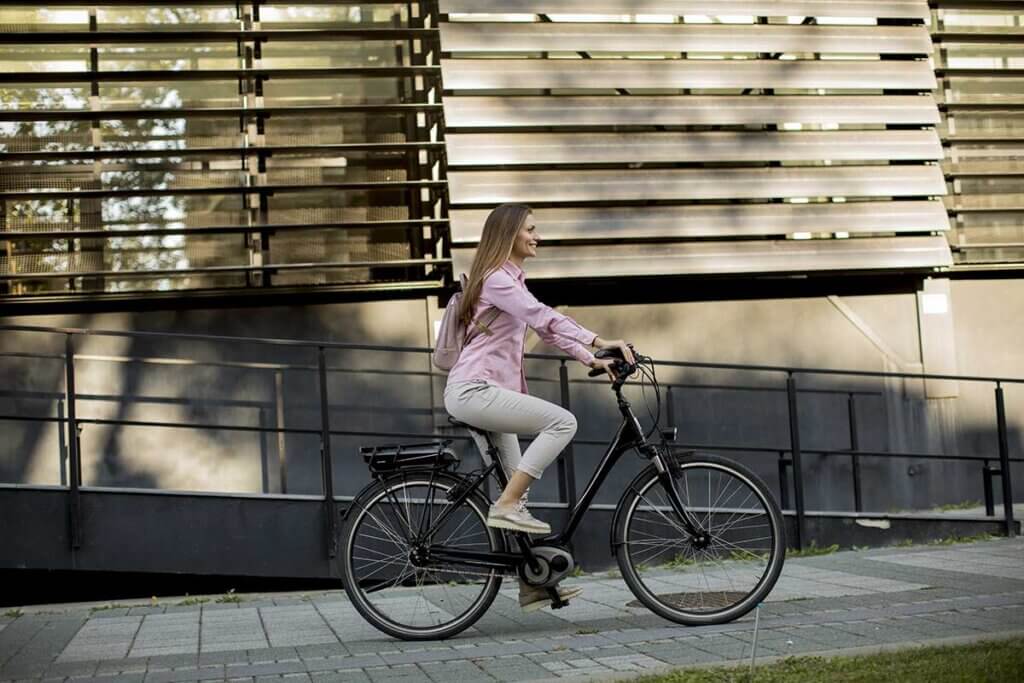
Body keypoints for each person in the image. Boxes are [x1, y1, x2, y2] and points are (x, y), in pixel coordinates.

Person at [443, 203, 634, 611]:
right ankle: (507, 504)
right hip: (474, 390)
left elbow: (544, 328)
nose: (537, 236)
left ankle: (532, 582)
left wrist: (590, 358)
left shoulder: (508, 280)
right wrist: (600, 340)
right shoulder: (496, 279)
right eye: (530, 229)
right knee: (562, 423)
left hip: (485, 393)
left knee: (517, 492)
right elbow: (542, 317)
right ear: (509, 233)